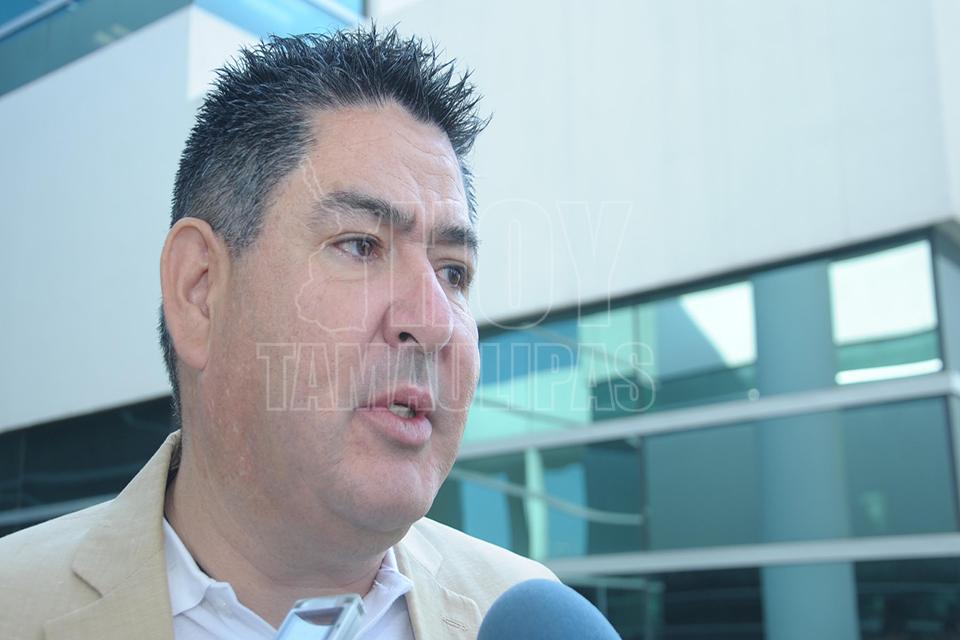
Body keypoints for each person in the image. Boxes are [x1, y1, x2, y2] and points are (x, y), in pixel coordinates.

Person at [0, 27, 555, 640]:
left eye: (454, 272)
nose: (433, 322)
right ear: (200, 291)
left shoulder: (520, 613)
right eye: (361, 245)